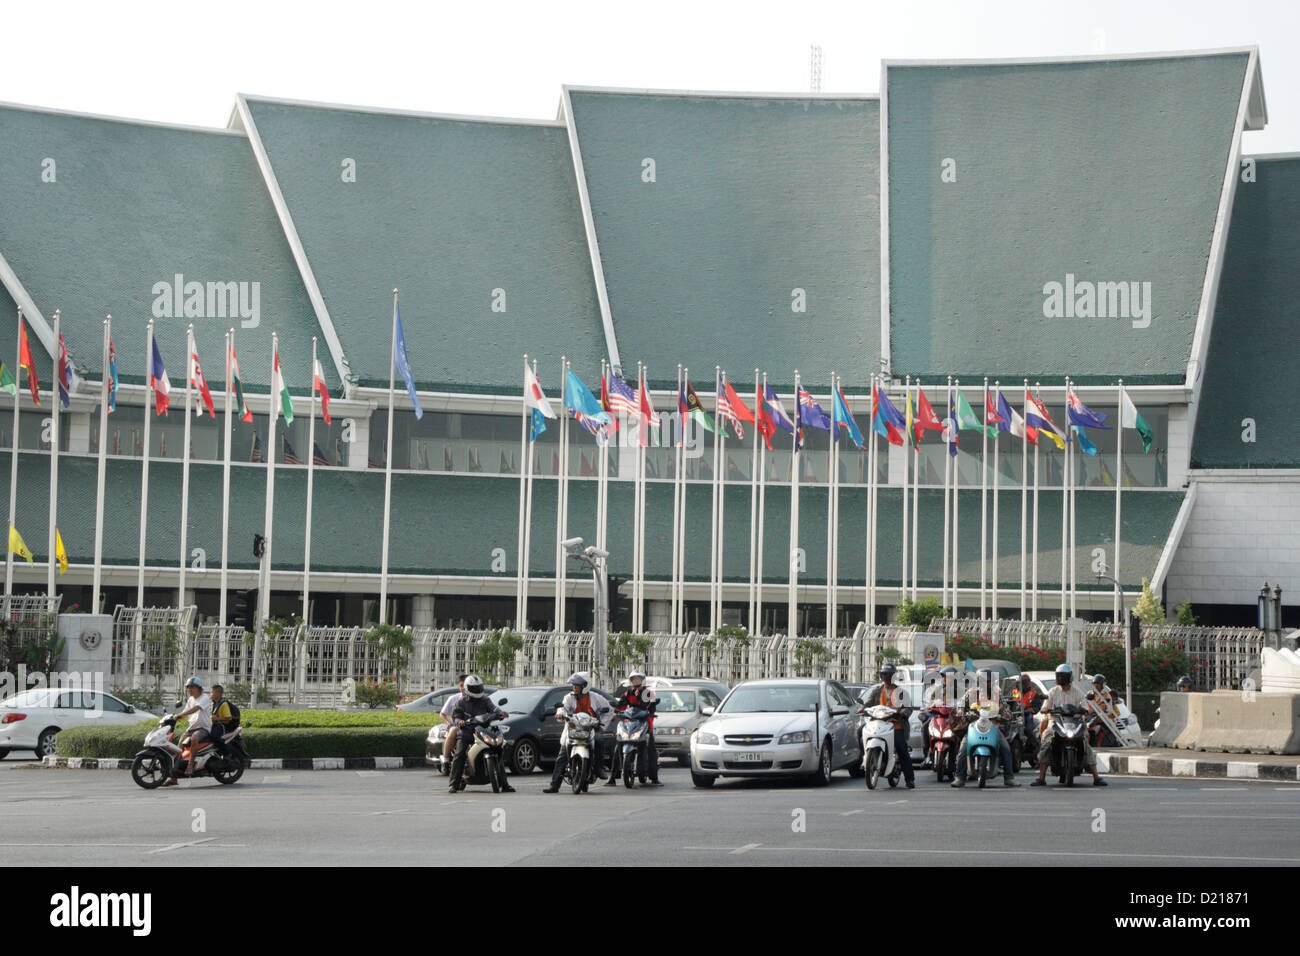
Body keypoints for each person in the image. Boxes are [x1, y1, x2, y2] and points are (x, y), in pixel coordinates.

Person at [1033, 663, 1107, 787]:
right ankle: (1041, 777)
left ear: (1069, 677)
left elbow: (1084, 706)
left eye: (1063, 676)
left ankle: (1096, 777)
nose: (1060, 678)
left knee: (1085, 742)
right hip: (1056, 723)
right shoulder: (1053, 691)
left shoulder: (1077, 692)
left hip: (1075, 723)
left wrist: (1084, 711)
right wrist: (1046, 709)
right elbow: (1046, 706)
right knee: (1047, 740)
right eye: (1059, 676)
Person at [951, 668, 1019, 788]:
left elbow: (1006, 708)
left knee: (1006, 748)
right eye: (984, 681)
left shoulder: (997, 693)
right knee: (963, 748)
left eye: (989, 681)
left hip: (993, 726)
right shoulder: (971, 692)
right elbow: (961, 703)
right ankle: (959, 777)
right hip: (974, 727)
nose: (987, 683)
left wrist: (1005, 713)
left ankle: (1009, 777)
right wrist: (961, 711)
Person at [544, 673, 611, 793]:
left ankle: (599, 768)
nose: (574, 687)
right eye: (574, 685)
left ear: (585, 685)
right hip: (572, 731)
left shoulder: (596, 697)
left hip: (590, 731)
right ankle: (554, 785)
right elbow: (562, 708)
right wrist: (560, 714)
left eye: (577, 685)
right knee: (562, 755)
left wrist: (602, 726)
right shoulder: (569, 697)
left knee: (600, 740)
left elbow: (609, 710)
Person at [448, 674, 512, 794]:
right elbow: (455, 717)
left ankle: (505, 784)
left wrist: (501, 713)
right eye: (474, 688)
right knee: (460, 753)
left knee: (497, 749)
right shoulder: (461, 703)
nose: (477, 690)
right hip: (467, 731)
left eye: (478, 688)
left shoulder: (485, 700)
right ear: (467, 688)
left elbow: (494, 709)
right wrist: (460, 722)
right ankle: (453, 784)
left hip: (484, 730)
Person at [856, 662, 915, 789]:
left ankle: (910, 779)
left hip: (896, 725)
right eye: (884, 674)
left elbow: (908, 708)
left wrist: (904, 712)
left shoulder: (901, 693)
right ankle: (864, 758)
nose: (886, 677)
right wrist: (862, 709)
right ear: (881, 676)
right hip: (877, 723)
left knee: (902, 748)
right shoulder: (877, 691)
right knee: (860, 732)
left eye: (889, 675)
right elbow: (868, 703)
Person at [605, 669, 661, 787]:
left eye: (638, 679)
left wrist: (643, 703)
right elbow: (621, 705)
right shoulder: (628, 692)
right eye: (634, 679)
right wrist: (616, 712)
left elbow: (650, 707)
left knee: (651, 749)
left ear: (642, 680)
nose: (636, 681)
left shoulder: (648, 693)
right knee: (618, 747)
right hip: (630, 724)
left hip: (644, 723)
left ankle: (654, 778)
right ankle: (612, 778)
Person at [162, 677, 211, 786]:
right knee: (178, 747)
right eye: (188, 687)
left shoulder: (204, 698)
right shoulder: (190, 700)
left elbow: (196, 709)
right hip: (191, 728)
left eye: (192, 687)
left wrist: (183, 714)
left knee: (194, 738)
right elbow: (185, 712)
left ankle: (190, 764)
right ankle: (173, 777)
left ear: (198, 688)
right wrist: (174, 717)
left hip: (203, 728)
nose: (189, 690)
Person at [919, 665, 960, 767]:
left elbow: (964, 703)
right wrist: (927, 706)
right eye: (943, 676)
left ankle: (963, 756)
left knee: (964, 731)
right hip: (939, 717)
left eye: (948, 676)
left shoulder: (960, 690)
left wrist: (961, 710)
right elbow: (930, 700)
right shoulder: (938, 689)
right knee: (925, 727)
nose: (945, 679)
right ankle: (927, 756)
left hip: (954, 719)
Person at [438, 675, 468, 768]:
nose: (463, 688)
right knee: (453, 730)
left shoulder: (477, 699)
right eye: (461, 685)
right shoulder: (453, 699)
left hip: (470, 724)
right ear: (459, 686)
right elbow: (442, 714)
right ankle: (446, 759)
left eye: (465, 685)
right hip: (456, 724)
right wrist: (448, 724)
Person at [209, 684, 241, 758]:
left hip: (223, 726)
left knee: (214, 737)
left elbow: (229, 718)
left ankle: (226, 752)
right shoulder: (214, 703)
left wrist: (216, 719)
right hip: (216, 724)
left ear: (218, 693)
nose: (210, 694)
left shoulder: (224, 704)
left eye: (212, 692)